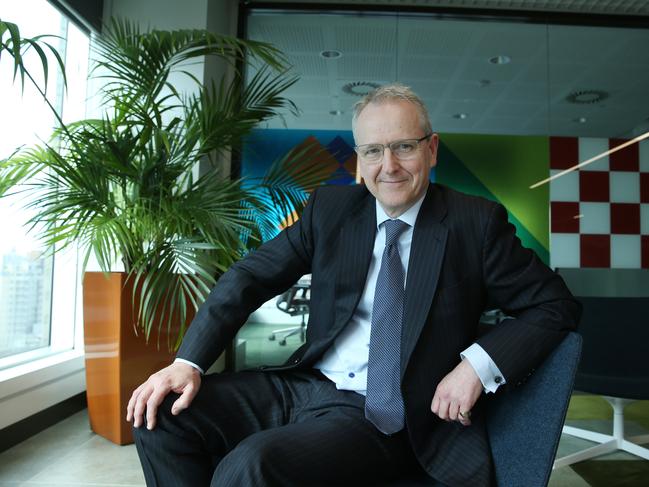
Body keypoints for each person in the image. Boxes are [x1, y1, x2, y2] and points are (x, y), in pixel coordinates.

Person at [127, 83, 580, 487]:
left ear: (432, 149)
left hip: (387, 412)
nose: (389, 166)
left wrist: (474, 367)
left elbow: (554, 306)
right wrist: (188, 362)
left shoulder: (474, 224)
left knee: (251, 466)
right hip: (307, 384)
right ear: (359, 159)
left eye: (404, 146)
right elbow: (249, 276)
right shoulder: (332, 209)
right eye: (373, 151)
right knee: (159, 414)